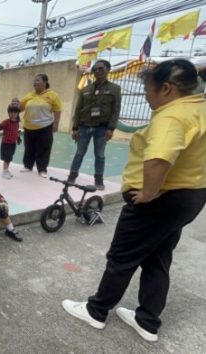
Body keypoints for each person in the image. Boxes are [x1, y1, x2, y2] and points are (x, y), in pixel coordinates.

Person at [62, 59, 206, 342]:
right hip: (190, 197)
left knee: (122, 257)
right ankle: (147, 321)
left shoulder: (172, 116)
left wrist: (149, 193)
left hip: (160, 201)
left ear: (166, 88)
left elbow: (159, 157)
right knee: (158, 256)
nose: (146, 96)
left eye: (148, 90)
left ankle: (96, 311)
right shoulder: (200, 107)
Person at [68, 60, 122, 190]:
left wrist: (111, 128)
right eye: (95, 69)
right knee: (79, 152)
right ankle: (72, 176)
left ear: (108, 70)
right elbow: (78, 109)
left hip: (102, 128)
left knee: (100, 154)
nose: (97, 71)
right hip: (84, 126)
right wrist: (75, 128)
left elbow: (116, 110)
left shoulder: (114, 89)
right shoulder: (86, 89)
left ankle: (99, 180)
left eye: (101, 69)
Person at [12, 74, 62, 178]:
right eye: (34, 81)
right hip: (29, 126)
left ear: (45, 82)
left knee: (44, 148)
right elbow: (20, 108)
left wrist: (56, 124)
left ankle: (42, 169)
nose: (35, 83)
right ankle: (28, 166)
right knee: (29, 147)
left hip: (45, 126)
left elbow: (57, 110)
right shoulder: (30, 95)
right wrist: (16, 103)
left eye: (38, 80)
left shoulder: (52, 95)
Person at [0, 102, 22, 179]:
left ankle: (6, 170)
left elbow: (17, 131)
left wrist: (18, 138)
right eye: (11, 112)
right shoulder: (6, 122)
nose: (13, 114)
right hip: (6, 143)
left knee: (10, 157)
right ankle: (4, 171)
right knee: (7, 158)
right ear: (8, 112)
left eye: (15, 112)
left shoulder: (17, 123)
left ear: (18, 113)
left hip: (12, 143)